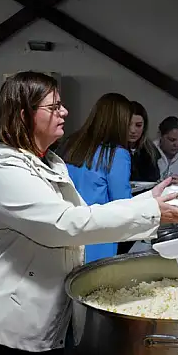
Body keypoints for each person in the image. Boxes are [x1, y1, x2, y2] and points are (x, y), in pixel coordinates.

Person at [0, 72, 178, 355]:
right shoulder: (3, 173)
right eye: (53, 107)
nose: (65, 112)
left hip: (39, 320)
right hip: (6, 333)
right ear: (23, 115)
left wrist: (147, 203)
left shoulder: (44, 161)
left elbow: (85, 213)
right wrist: (148, 211)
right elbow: (65, 225)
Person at [63, 93, 134, 263]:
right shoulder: (116, 154)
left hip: (68, 233)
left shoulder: (72, 144)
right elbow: (123, 202)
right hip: (98, 236)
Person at [128, 101, 160, 182]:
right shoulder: (115, 150)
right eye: (128, 124)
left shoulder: (150, 149)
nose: (133, 130)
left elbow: (155, 178)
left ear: (144, 127)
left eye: (138, 125)